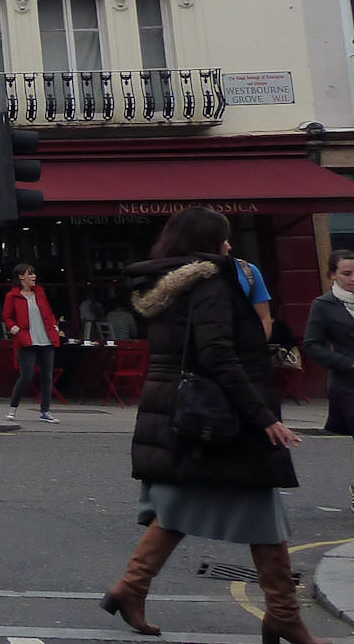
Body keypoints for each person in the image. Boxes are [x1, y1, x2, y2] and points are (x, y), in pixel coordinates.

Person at [103, 207, 316, 643]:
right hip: (220, 414)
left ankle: (132, 587)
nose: (230, 246)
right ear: (209, 243)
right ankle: (283, 613)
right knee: (261, 510)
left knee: (180, 505)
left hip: (184, 412)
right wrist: (264, 418)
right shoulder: (212, 283)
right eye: (224, 238)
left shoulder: (168, 285)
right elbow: (217, 352)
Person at [304, 249, 354, 505]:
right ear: (332, 275)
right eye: (347, 273)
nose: (353, 278)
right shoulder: (323, 306)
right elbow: (312, 345)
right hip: (347, 384)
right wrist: (347, 363)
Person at [2, 263, 63, 424]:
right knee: (26, 375)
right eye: (30, 274)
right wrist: (15, 329)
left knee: (47, 377)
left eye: (34, 274)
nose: (34, 276)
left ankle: (45, 411)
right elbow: (7, 317)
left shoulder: (40, 293)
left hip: (46, 339)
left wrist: (55, 326)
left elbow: (48, 312)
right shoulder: (12, 296)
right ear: (21, 276)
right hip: (26, 340)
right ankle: (13, 408)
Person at [235, 255, 275, 336]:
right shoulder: (203, 272)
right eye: (224, 242)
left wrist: (260, 346)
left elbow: (264, 318)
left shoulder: (247, 270)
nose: (229, 247)